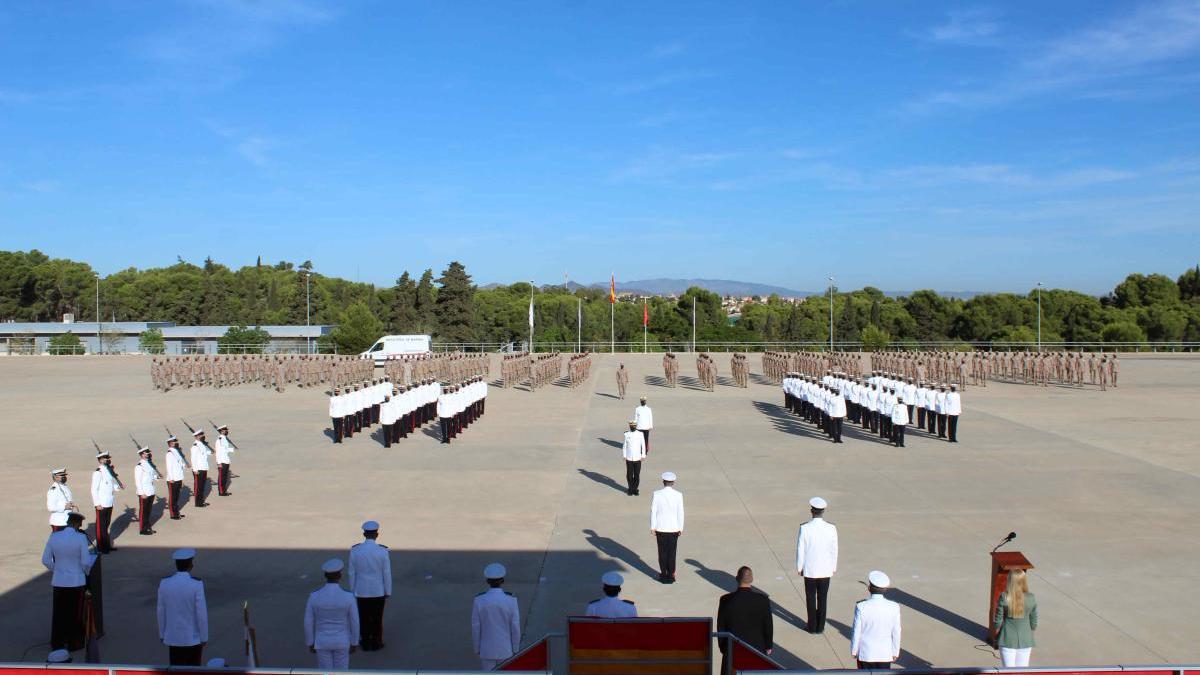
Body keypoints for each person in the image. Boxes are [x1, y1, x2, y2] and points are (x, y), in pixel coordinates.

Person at [42, 512, 95, 651]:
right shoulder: (80, 538)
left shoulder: (54, 536)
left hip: (59, 582)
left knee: (59, 614)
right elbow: (85, 562)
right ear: (77, 524)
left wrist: (58, 569)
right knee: (75, 614)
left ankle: (57, 642)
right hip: (76, 582)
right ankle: (73, 643)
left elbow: (46, 560)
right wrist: (87, 573)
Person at [305, 558, 360, 670]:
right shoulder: (348, 596)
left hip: (322, 641)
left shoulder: (314, 596)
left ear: (325, 575)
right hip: (342, 640)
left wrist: (310, 642)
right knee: (342, 671)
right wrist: (354, 641)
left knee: (325, 671)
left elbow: (308, 622)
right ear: (340, 575)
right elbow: (355, 621)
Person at [717, 566, 773, 675]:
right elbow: (768, 626)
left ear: (737, 578)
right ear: (752, 579)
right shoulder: (763, 600)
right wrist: (768, 645)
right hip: (757, 651)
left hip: (733, 651)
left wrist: (724, 648)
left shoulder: (725, 600)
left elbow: (721, 628)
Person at [157, 548, 208, 666]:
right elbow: (201, 614)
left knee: (176, 669)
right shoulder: (196, 584)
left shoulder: (165, 583)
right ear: (191, 565)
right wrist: (204, 636)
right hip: (193, 639)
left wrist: (162, 633)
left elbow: (161, 610)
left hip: (173, 638)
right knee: (193, 670)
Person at [796, 497, 837, 634]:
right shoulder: (831, 528)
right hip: (825, 569)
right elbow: (834, 549)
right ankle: (820, 626)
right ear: (823, 511)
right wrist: (833, 567)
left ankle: (812, 626)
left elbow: (801, 549)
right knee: (823, 598)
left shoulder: (805, 528)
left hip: (810, 569)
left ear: (811, 511)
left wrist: (799, 567)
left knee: (810, 598)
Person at [348, 520, 392, 652]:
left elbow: (351, 572)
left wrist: (352, 590)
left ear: (364, 534)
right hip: (378, 590)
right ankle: (377, 642)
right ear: (377, 534)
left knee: (364, 616)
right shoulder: (382, 551)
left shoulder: (355, 551)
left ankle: (365, 641)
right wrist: (388, 590)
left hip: (361, 590)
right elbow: (386, 573)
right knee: (377, 617)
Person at [472, 562, 520, 671]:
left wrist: (477, 648)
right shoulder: (511, 600)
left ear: (487, 581)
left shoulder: (479, 600)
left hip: (486, 650)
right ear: (502, 580)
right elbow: (515, 627)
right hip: (505, 650)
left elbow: (476, 627)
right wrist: (516, 648)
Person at [850, 571, 901, 670]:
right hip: (885, 654)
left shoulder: (861, 606)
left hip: (866, 653)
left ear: (869, 588)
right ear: (885, 589)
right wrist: (895, 652)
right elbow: (896, 632)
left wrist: (854, 650)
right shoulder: (894, 607)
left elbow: (856, 631)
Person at [993, 569, 1037, 667]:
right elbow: (1034, 623)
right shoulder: (1031, 597)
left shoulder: (1004, 597)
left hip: (1007, 639)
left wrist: (995, 633)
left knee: (1008, 672)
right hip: (1026, 639)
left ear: (1010, 581)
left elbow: (998, 621)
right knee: (1022, 672)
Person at [650, 471, 684, 584]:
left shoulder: (657, 493)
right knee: (672, 552)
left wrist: (653, 526)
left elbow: (653, 511)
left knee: (662, 552)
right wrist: (680, 527)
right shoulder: (679, 495)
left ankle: (663, 574)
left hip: (661, 527)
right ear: (673, 482)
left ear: (663, 481)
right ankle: (671, 574)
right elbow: (681, 512)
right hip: (674, 528)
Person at [90, 450, 120, 553]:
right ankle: (101, 547)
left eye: (108, 458)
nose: (107, 460)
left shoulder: (109, 470)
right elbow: (94, 489)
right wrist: (97, 503)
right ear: (100, 460)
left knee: (106, 525)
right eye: (105, 458)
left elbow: (112, 483)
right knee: (100, 526)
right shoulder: (98, 472)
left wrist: (118, 486)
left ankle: (106, 545)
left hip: (109, 501)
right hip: (101, 503)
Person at [135, 446, 159, 535]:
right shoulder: (139, 466)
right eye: (146, 453)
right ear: (142, 455)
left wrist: (157, 477)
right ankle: (142, 529)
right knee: (143, 511)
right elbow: (138, 481)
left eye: (148, 453)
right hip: (144, 492)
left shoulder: (149, 463)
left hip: (150, 490)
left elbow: (151, 475)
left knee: (148, 511)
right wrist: (141, 493)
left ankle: (148, 527)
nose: (148, 454)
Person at [164, 435, 187, 520]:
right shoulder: (169, 453)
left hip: (178, 477)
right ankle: (173, 514)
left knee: (177, 496)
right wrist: (171, 478)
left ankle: (177, 512)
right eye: (173, 442)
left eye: (175, 441)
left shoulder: (176, 451)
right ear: (170, 443)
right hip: (172, 479)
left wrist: (184, 465)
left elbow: (179, 463)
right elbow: (169, 467)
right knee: (173, 497)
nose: (175, 443)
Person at [621, 420, 647, 496]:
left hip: (638, 458)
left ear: (635, 427)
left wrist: (643, 455)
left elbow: (643, 445)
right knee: (629, 475)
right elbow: (625, 446)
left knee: (636, 474)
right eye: (631, 426)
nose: (632, 427)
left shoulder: (640, 434)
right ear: (630, 426)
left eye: (634, 426)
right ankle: (630, 488)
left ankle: (635, 489)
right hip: (629, 458)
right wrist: (624, 455)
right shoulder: (626, 434)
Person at [190, 430, 211, 508]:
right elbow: (193, 458)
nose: (202, 436)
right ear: (196, 437)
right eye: (201, 435)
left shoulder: (201, 444)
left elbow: (202, 454)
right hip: (198, 469)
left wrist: (209, 452)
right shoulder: (195, 446)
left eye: (202, 434)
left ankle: (201, 501)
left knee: (202, 486)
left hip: (204, 467)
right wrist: (195, 470)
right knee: (198, 487)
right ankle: (198, 503)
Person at [214, 425, 235, 496]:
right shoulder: (219, 440)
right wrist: (218, 462)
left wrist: (231, 450)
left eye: (226, 430)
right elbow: (218, 452)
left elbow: (225, 449)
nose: (227, 431)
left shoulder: (224, 439)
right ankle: (221, 492)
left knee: (224, 477)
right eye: (225, 430)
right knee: (221, 478)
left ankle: (224, 490)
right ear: (221, 431)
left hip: (226, 460)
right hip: (222, 461)